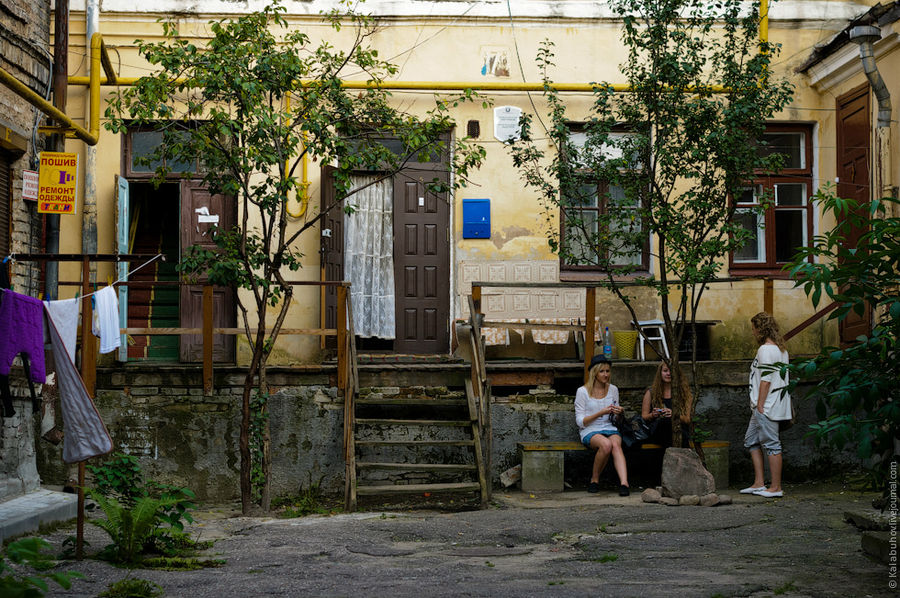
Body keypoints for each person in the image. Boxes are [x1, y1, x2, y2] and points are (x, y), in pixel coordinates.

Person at [741, 312, 792, 498]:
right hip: (765, 405)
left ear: (760, 329)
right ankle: (759, 483)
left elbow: (766, 379)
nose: (753, 332)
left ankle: (776, 488)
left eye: (754, 328)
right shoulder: (781, 349)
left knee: (772, 444)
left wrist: (760, 405)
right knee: (751, 440)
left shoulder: (765, 350)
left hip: (766, 406)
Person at [575, 355, 630, 496]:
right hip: (590, 429)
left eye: (608, 371)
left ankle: (624, 483)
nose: (606, 374)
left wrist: (619, 412)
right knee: (606, 445)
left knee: (616, 445)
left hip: (610, 427)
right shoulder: (582, 391)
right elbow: (580, 422)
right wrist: (600, 413)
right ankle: (594, 479)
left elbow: (615, 418)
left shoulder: (613, 389)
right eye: (602, 371)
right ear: (595, 372)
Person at [641, 362, 693, 447]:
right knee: (664, 422)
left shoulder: (684, 393)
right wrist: (653, 415)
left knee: (671, 423)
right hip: (658, 431)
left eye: (671, 371)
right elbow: (643, 416)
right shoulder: (651, 392)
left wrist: (674, 415)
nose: (668, 373)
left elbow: (687, 419)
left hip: (679, 430)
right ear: (660, 373)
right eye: (665, 371)